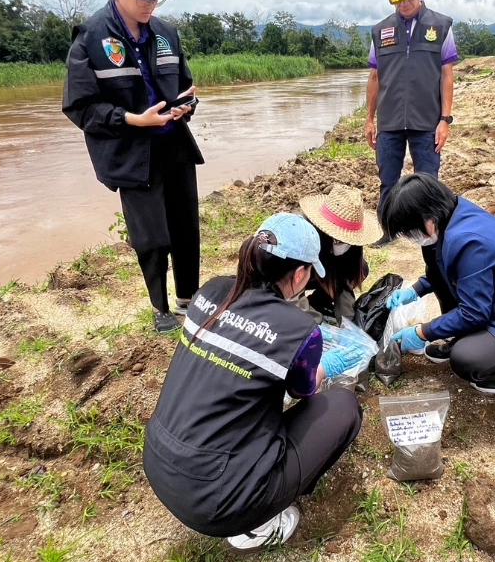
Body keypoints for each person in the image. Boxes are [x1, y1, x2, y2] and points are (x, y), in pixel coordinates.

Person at [143, 213, 365, 552]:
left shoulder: (211, 291)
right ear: (300, 274)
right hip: (219, 502)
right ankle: (258, 524)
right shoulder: (298, 329)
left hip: (159, 463)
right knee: (343, 406)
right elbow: (304, 391)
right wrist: (327, 364)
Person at [62, 0, 202, 334]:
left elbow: (188, 88)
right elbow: (81, 108)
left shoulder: (166, 34)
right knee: (152, 235)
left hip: (174, 145)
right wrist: (132, 120)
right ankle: (160, 308)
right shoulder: (90, 38)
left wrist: (185, 107)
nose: (150, 4)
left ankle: (188, 298)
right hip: (133, 152)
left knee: (185, 226)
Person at [379, 174, 495, 394]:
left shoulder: (469, 242)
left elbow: (474, 313)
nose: (410, 237)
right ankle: (467, 337)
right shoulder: (450, 215)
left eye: (409, 230)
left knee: (466, 358)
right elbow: (445, 271)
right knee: (444, 286)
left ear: (428, 216)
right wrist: (415, 290)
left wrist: (422, 332)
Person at [365, 0, 459, 246]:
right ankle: (388, 230)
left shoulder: (440, 26)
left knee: (428, 180)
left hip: (426, 119)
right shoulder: (380, 31)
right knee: (388, 180)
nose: (404, 4)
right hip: (390, 121)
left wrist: (444, 120)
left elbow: (446, 76)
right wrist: (369, 119)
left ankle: (431, 233)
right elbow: (374, 78)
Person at [297, 184, 382, 325]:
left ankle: (319, 302)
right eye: (337, 240)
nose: (343, 244)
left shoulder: (349, 250)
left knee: (362, 269)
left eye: (347, 240)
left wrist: (349, 325)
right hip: (286, 282)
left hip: (322, 269)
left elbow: (344, 284)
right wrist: (316, 323)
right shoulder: (301, 238)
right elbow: (290, 291)